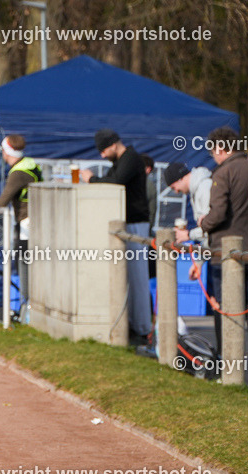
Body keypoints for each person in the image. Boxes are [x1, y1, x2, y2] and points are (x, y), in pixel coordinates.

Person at [198, 127, 248, 372]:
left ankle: (225, 366)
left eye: (213, 152)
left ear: (221, 149)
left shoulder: (222, 173)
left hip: (225, 252)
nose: (213, 157)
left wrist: (203, 223)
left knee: (223, 309)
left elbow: (218, 214)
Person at [79, 129, 152, 345]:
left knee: (138, 277)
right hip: (128, 223)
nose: (101, 155)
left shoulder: (130, 158)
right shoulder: (122, 160)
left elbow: (116, 181)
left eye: (103, 150)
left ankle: (142, 328)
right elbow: (113, 178)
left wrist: (92, 179)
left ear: (112, 145)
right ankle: (133, 323)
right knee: (128, 276)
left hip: (136, 223)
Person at [0, 135, 42, 309]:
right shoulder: (31, 164)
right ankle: (26, 305)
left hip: (26, 223)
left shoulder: (18, 173)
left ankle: (26, 306)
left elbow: (2, 201)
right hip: (35, 221)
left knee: (24, 265)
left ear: (7, 152)